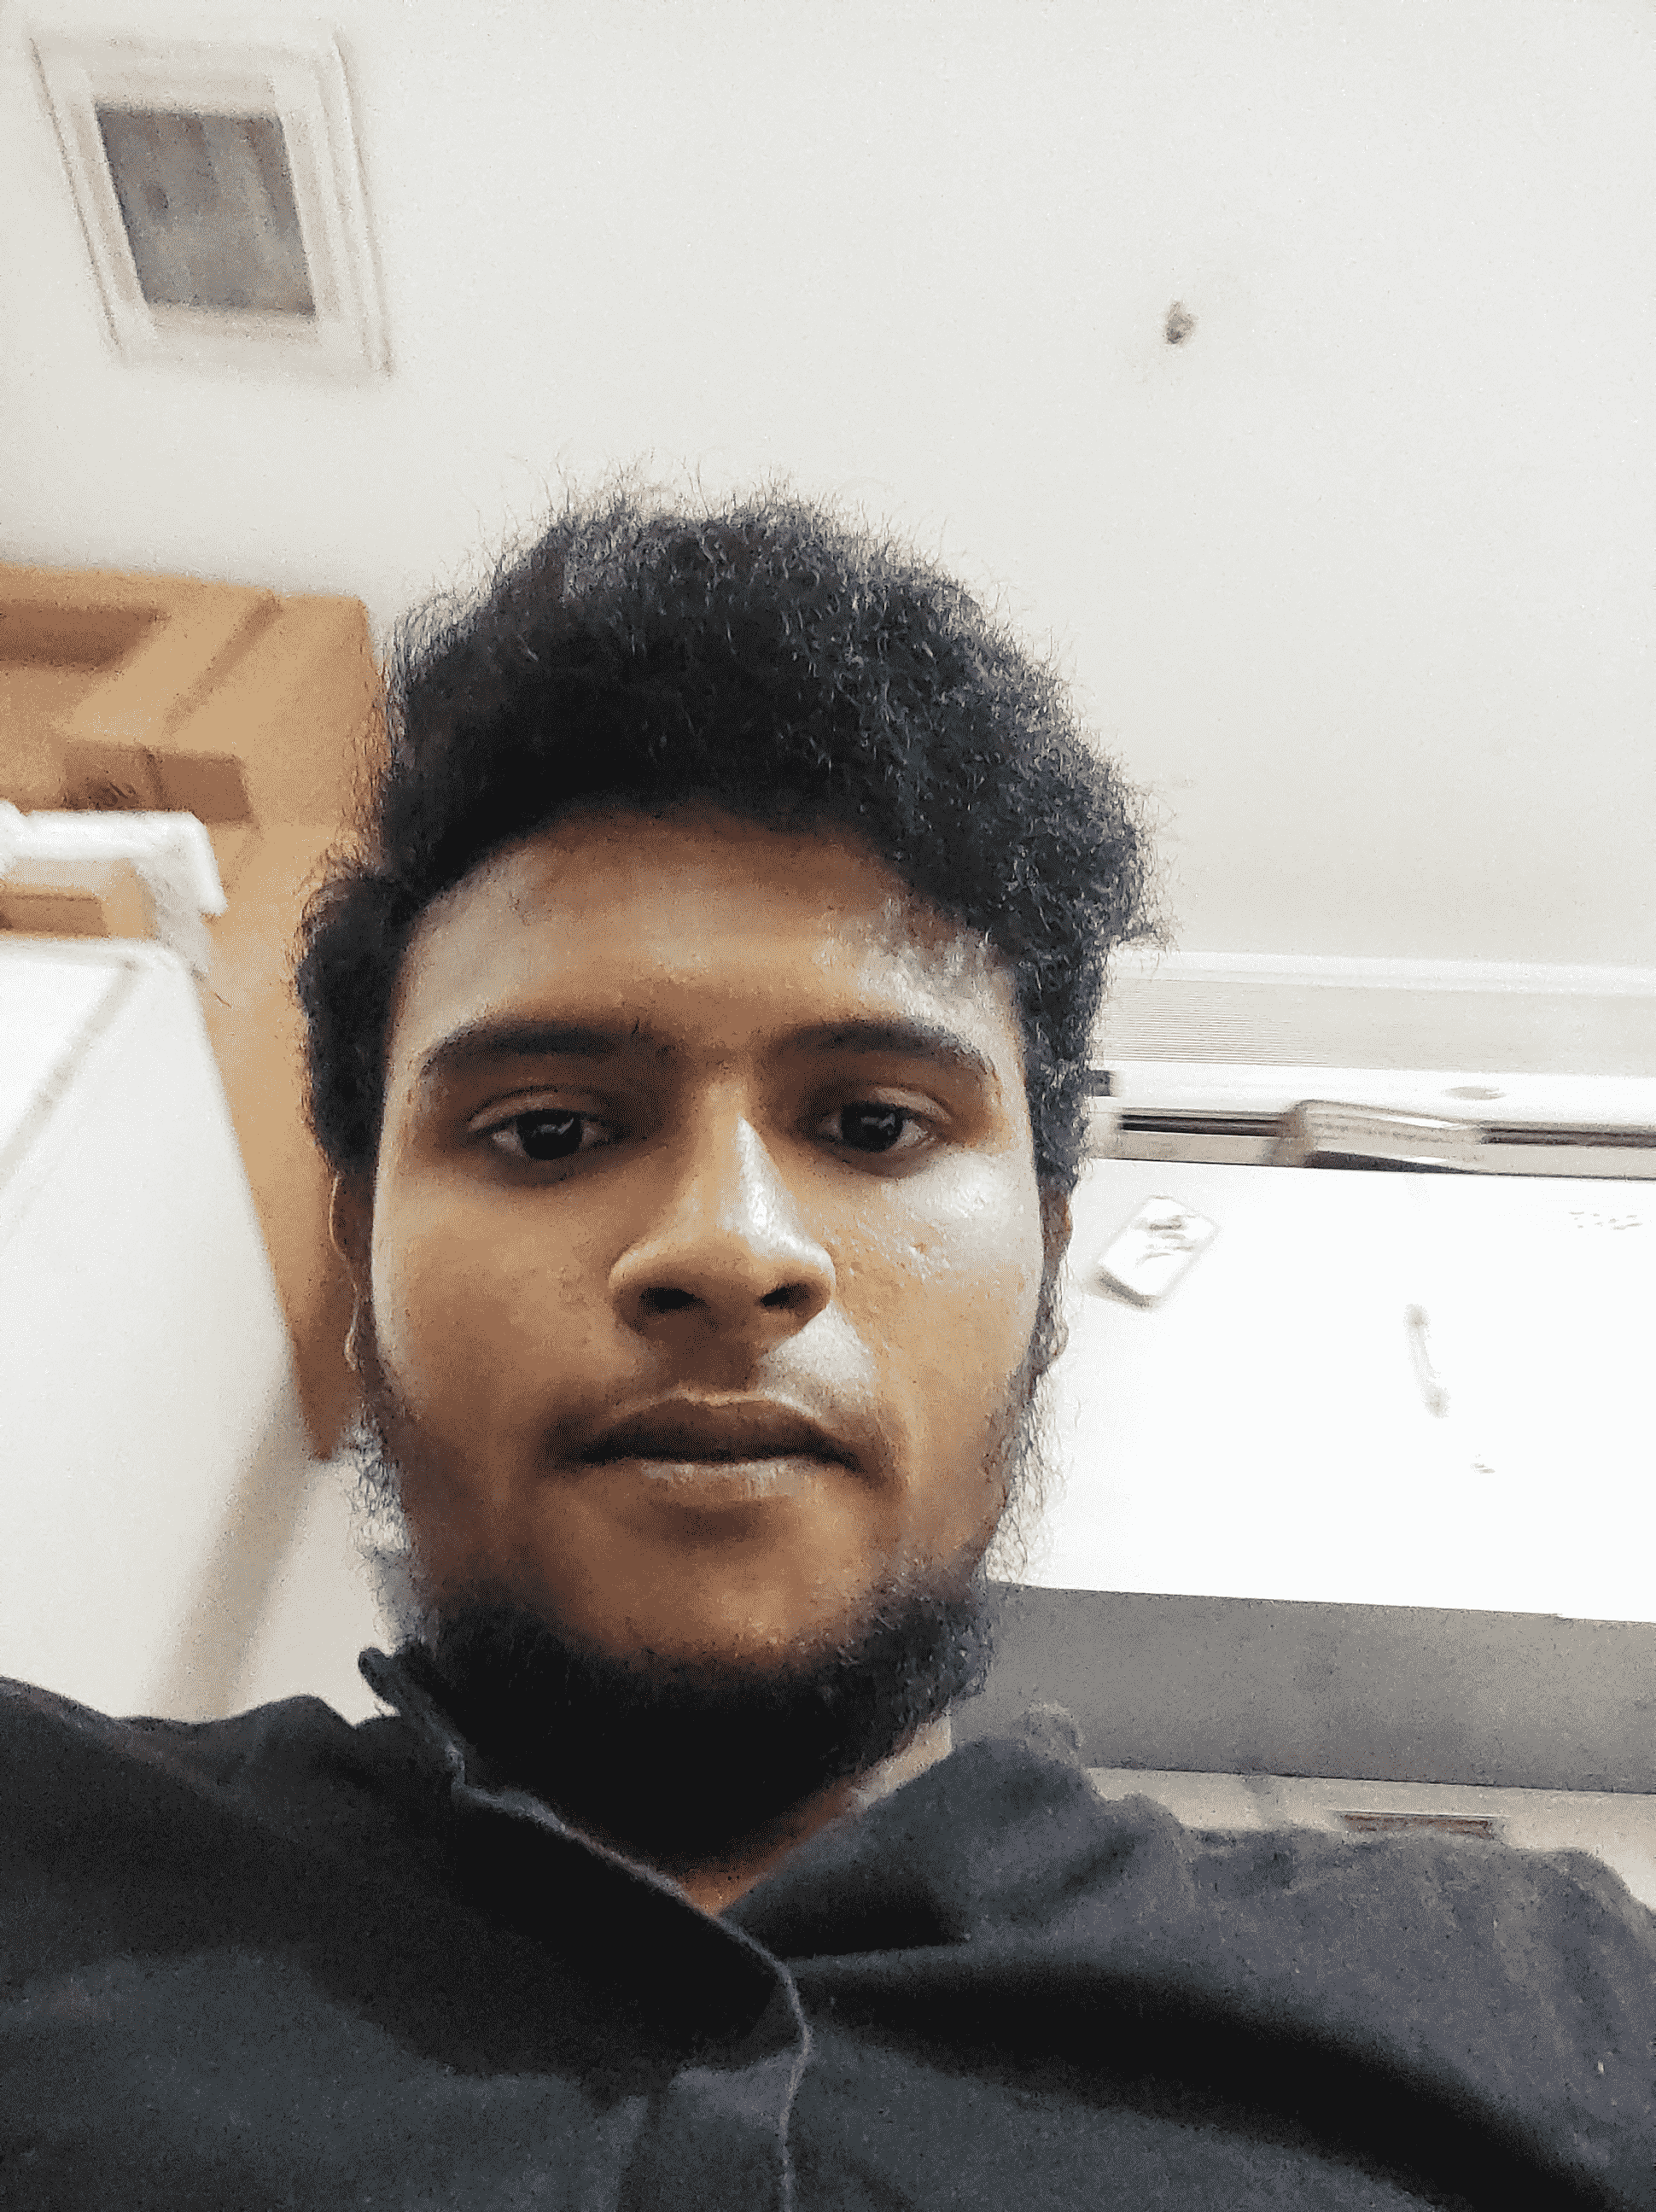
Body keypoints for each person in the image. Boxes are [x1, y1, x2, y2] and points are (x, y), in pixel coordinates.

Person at [4, 484, 1654, 2210]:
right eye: (550, 1130)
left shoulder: (1549, 2009)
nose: (727, 1245)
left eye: (872, 1123)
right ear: (359, 1265)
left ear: (1050, 1260)